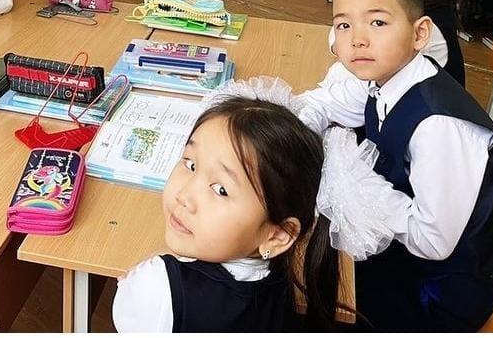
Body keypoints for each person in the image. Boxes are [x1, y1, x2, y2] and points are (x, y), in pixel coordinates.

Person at [298, 0, 493, 331]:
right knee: (304, 258)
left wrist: (359, 187)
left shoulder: (438, 127)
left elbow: (432, 242)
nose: (357, 39)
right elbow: (326, 104)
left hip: (445, 288)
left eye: (377, 23)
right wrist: (287, 126)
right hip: (410, 252)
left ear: (420, 34)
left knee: (306, 293)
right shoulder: (387, 75)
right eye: (343, 25)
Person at [112, 93, 341, 332]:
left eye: (221, 189)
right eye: (191, 165)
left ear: (277, 235)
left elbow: (128, 314)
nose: (184, 196)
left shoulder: (158, 287)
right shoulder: (274, 266)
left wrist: (143, 279)